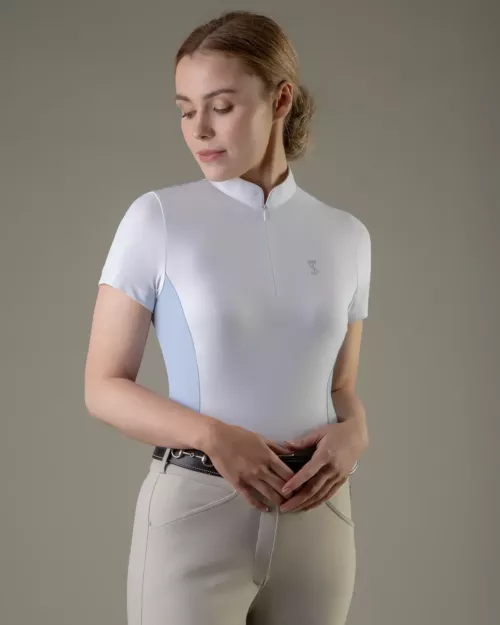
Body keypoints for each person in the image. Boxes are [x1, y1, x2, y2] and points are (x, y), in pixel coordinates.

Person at [85, 9, 371, 625]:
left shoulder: (346, 236)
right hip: (196, 514)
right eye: (186, 110)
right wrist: (214, 436)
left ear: (281, 100)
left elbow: (341, 386)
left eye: (221, 106)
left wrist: (356, 431)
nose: (200, 129)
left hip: (318, 521)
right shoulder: (157, 219)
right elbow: (102, 386)